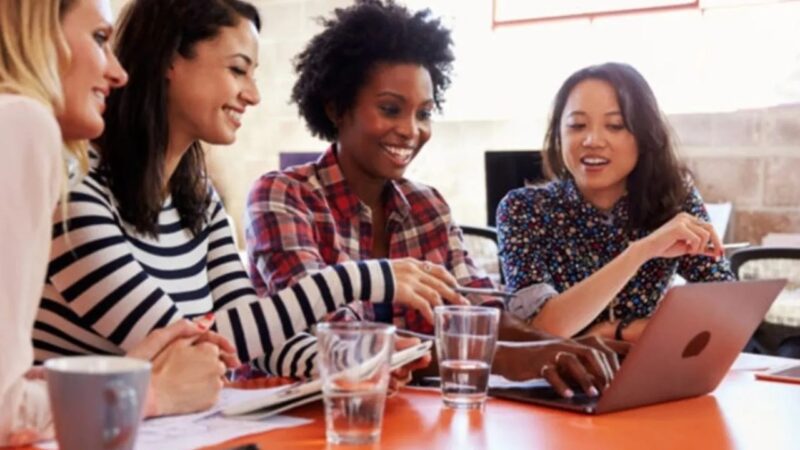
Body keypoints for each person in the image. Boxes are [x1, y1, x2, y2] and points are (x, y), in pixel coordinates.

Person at [33, 0, 434, 385]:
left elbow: (252, 337)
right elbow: (184, 345)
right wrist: (360, 279)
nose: (253, 94)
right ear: (170, 58)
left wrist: (353, 359)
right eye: (238, 70)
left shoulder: (199, 199)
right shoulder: (73, 184)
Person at [246, 0, 620, 398]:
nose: (411, 131)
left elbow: (479, 312)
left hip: (407, 421)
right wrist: (509, 359)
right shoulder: (283, 197)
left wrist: (559, 348)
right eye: (390, 109)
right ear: (337, 107)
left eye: (423, 114)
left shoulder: (427, 207)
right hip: (300, 419)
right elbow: (340, 340)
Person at [0, 0, 239, 445]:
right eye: (98, 40)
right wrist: (147, 391)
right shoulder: (21, 123)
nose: (118, 73)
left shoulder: (200, 195)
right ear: (37, 33)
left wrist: (111, 379)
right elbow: (4, 411)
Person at [497, 62, 736, 342]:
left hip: (650, 375)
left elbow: (728, 314)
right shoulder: (523, 209)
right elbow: (540, 330)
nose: (593, 140)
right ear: (558, 134)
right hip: (557, 379)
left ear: (645, 135)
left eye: (615, 125)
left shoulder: (674, 200)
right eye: (577, 125)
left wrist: (618, 331)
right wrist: (641, 252)